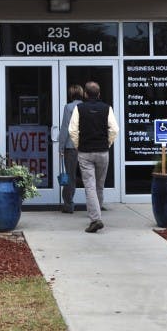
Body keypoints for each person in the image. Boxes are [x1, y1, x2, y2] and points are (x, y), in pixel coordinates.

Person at [69, 80, 119, 233]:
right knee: (99, 185)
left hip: (85, 152)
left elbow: (72, 130)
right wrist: (108, 144)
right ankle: (97, 215)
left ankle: (96, 219)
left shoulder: (79, 108)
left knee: (89, 186)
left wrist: (78, 145)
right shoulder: (107, 108)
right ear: (99, 93)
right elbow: (114, 129)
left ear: (85, 93)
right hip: (102, 152)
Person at [57, 84, 84, 213]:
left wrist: (61, 146)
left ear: (71, 94)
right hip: (85, 146)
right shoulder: (85, 107)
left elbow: (65, 128)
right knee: (88, 176)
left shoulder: (69, 107)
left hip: (71, 147)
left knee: (70, 176)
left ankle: (69, 204)